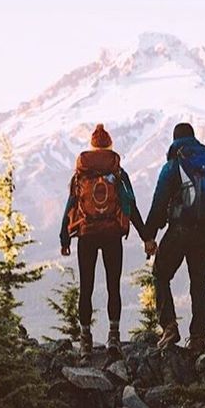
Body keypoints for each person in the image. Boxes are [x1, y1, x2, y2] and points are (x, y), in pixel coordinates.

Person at [60, 123, 147, 362]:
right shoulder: (118, 172)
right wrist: (146, 236)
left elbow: (71, 205)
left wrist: (64, 236)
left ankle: (85, 342)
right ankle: (113, 338)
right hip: (111, 235)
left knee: (86, 287)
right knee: (113, 286)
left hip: (86, 235)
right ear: (109, 146)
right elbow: (131, 205)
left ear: (91, 148)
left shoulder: (81, 173)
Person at [142, 123, 205, 358]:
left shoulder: (173, 166)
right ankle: (198, 339)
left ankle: (170, 327)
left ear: (175, 140)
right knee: (199, 285)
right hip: (203, 233)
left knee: (161, 274)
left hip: (179, 230)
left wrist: (149, 235)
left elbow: (159, 205)